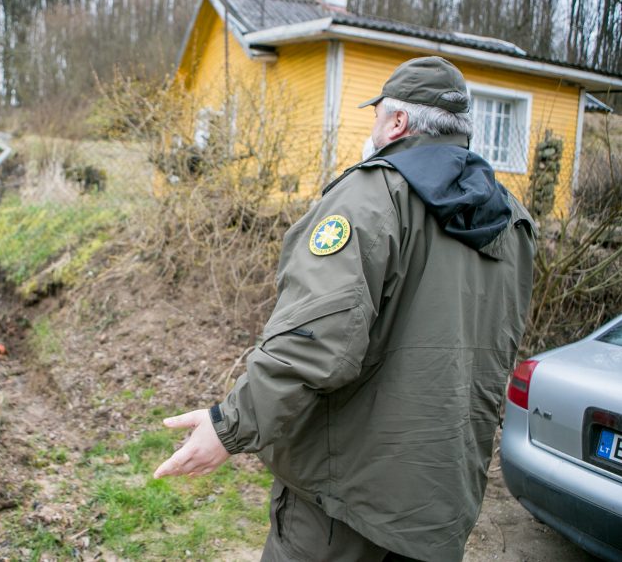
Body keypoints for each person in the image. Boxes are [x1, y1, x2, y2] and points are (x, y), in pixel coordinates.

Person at [153, 56, 537, 561]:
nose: (373, 127)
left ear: (397, 122)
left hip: (344, 499)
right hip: (441, 503)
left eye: (377, 115)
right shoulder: (514, 222)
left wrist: (229, 426)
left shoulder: (373, 196)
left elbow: (314, 342)